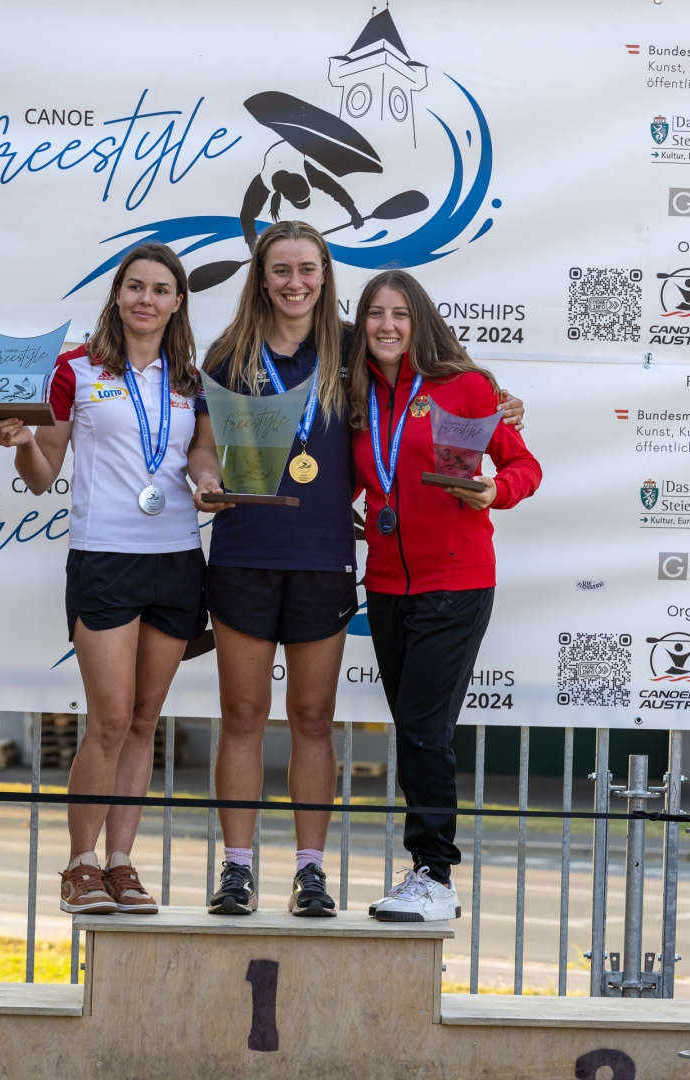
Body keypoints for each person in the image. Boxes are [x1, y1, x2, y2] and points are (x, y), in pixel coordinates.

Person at [192, 220, 526, 918]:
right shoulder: (229, 353)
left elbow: (438, 389)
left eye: (307, 269)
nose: (295, 283)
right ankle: (236, 869)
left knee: (313, 718)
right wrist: (204, 478)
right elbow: (203, 445)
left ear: (325, 275)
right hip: (245, 554)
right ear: (261, 278)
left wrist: (498, 402)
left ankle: (310, 872)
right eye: (281, 270)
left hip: (324, 561)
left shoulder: (351, 350)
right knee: (243, 714)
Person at [0, 243, 213, 916]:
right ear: (117, 294)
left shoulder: (191, 378)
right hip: (105, 559)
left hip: (176, 562)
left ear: (177, 302)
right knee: (109, 719)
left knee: (144, 721)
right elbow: (43, 475)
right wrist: (23, 440)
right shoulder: (75, 369)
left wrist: (207, 481)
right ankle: (80, 865)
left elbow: (201, 452)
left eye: (161, 289)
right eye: (135, 286)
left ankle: (120, 862)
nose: (147, 299)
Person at [346, 270, 542, 922]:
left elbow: (523, 466)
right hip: (386, 585)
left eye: (400, 313)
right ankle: (427, 872)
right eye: (376, 313)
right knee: (414, 729)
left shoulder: (466, 387)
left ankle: (435, 876)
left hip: (456, 583)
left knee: (425, 730)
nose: (388, 326)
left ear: (420, 320)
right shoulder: (353, 392)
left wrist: (495, 490)